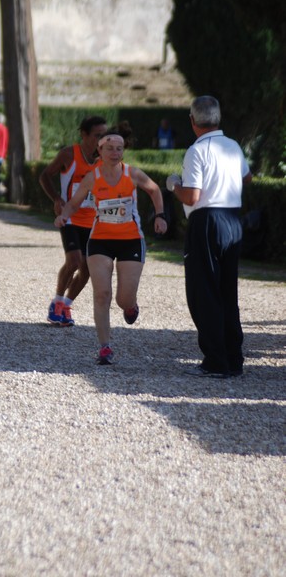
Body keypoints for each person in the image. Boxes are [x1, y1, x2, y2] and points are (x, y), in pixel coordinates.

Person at [55, 128, 167, 364]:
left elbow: (154, 189)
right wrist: (64, 215)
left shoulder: (132, 173)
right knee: (101, 294)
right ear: (100, 150)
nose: (115, 153)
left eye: (119, 149)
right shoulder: (92, 177)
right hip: (100, 241)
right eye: (110, 148)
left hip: (131, 240)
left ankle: (130, 306)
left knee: (122, 299)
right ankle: (104, 347)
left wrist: (160, 215)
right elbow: (74, 203)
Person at [166, 95, 252, 378]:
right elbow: (247, 177)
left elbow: (192, 195)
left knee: (203, 292)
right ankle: (233, 357)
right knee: (228, 291)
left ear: (193, 122)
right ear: (218, 119)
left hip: (206, 221)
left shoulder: (196, 150)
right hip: (232, 218)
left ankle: (215, 360)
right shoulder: (233, 146)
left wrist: (173, 185)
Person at [39, 115, 108, 327]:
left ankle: (67, 305)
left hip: (92, 220)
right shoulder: (69, 154)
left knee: (87, 269)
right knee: (74, 261)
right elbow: (45, 176)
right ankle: (57, 301)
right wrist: (57, 199)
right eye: (97, 135)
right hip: (69, 217)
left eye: (104, 135)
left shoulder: (105, 158)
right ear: (84, 134)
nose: (101, 140)